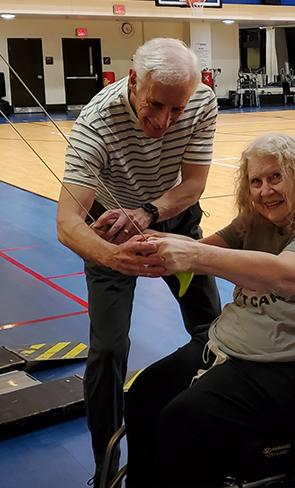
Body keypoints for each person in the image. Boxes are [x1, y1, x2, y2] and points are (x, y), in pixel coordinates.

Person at [124, 133, 295, 487]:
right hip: (237, 344)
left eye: (276, 177)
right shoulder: (255, 222)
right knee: (144, 394)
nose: (264, 190)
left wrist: (194, 256)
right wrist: (142, 238)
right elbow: (200, 251)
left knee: (185, 420)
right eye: (255, 181)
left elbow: (288, 277)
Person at [55, 38, 222, 487]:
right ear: (132, 81)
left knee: (216, 331)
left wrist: (149, 212)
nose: (165, 122)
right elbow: (68, 222)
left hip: (173, 222)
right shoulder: (95, 125)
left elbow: (195, 184)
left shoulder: (201, 101)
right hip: (109, 231)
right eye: (155, 105)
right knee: (108, 350)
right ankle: (106, 468)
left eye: (176, 110)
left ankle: (216, 439)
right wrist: (115, 255)